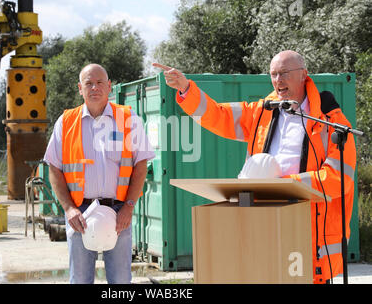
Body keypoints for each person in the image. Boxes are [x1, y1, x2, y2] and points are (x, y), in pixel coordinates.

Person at [153, 50, 357, 284]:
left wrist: (287, 185)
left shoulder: (333, 123)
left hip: (308, 234)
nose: (277, 80)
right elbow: (218, 115)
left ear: (303, 75)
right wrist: (186, 89)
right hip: (265, 225)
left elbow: (337, 180)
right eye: (273, 74)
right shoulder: (262, 111)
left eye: (284, 73)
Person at [44, 63, 155, 284]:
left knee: (121, 281)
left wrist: (129, 207)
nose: (95, 88)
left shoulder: (129, 120)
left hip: (119, 213)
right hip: (80, 215)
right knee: (80, 280)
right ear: (80, 88)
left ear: (109, 86)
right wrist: (68, 209)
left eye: (99, 83)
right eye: (89, 83)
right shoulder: (66, 123)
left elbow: (140, 166)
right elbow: (54, 167)